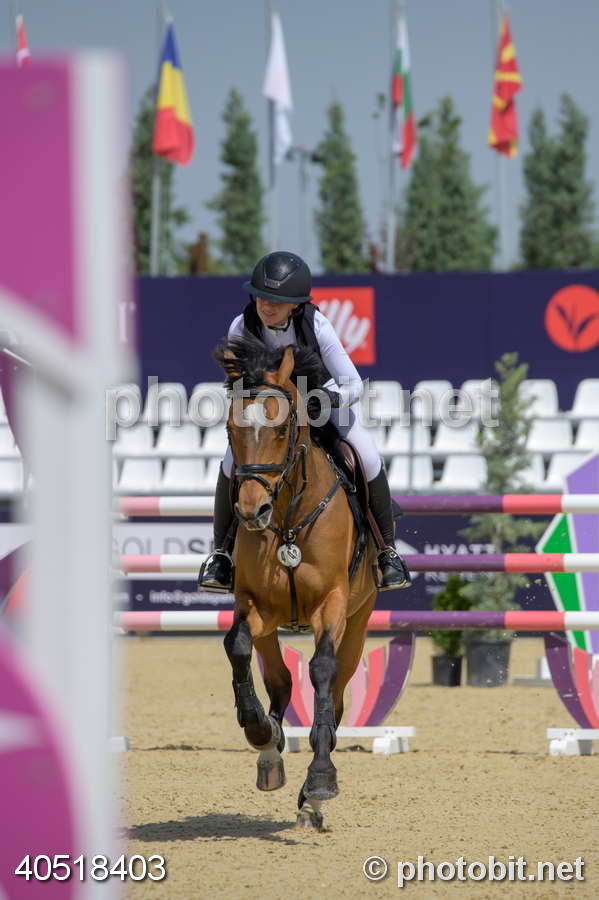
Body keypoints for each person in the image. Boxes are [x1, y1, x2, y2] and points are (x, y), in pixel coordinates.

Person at [198, 250, 410, 592]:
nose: (267, 306)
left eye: (277, 301)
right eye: (262, 297)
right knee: (229, 464)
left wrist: (322, 401)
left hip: (320, 400)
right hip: (270, 411)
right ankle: (221, 554)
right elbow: (237, 386)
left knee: (368, 456)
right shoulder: (242, 325)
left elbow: (354, 384)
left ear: (295, 305)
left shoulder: (317, 325)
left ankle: (387, 552)